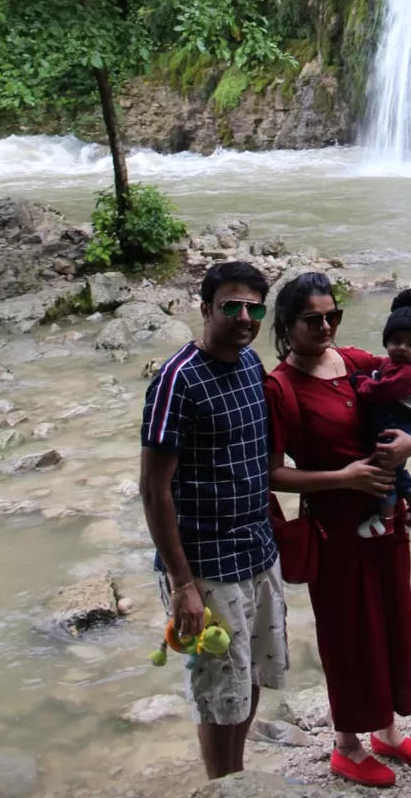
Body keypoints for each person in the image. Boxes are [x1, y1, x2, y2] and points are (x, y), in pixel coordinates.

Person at [266, 272, 411, 788]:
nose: (326, 327)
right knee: (347, 632)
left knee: (389, 618)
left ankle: (386, 731)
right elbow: (271, 473)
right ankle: (346, 745)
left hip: (384, 518)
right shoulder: (280, 387)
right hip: (335, 527)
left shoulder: (358, 361)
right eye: (313, 319)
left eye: (332, 316)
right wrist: (344, 477)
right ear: (287, 325)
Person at [139, 260, 287, 780]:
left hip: (257, 551)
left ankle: (236, 778)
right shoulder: (177, 381)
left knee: (248, 677)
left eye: (254, 309)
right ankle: (221, 785)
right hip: (205, 566)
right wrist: (182, 584)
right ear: (205, 308)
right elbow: (153, 489)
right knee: (218, 691)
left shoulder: (250, 365)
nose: (244, 318)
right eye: (232, 306)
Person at [350, 288, 411, 539]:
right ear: (386, 341)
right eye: (396, 341)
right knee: (397, 471)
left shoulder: (407, 373)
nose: (402, 348)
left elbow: (378, 392)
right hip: (402, 426)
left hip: (396, 427)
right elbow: (383, 367)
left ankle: (386, 519)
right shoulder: (399, 364)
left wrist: (359, 381)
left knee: (383, 471)